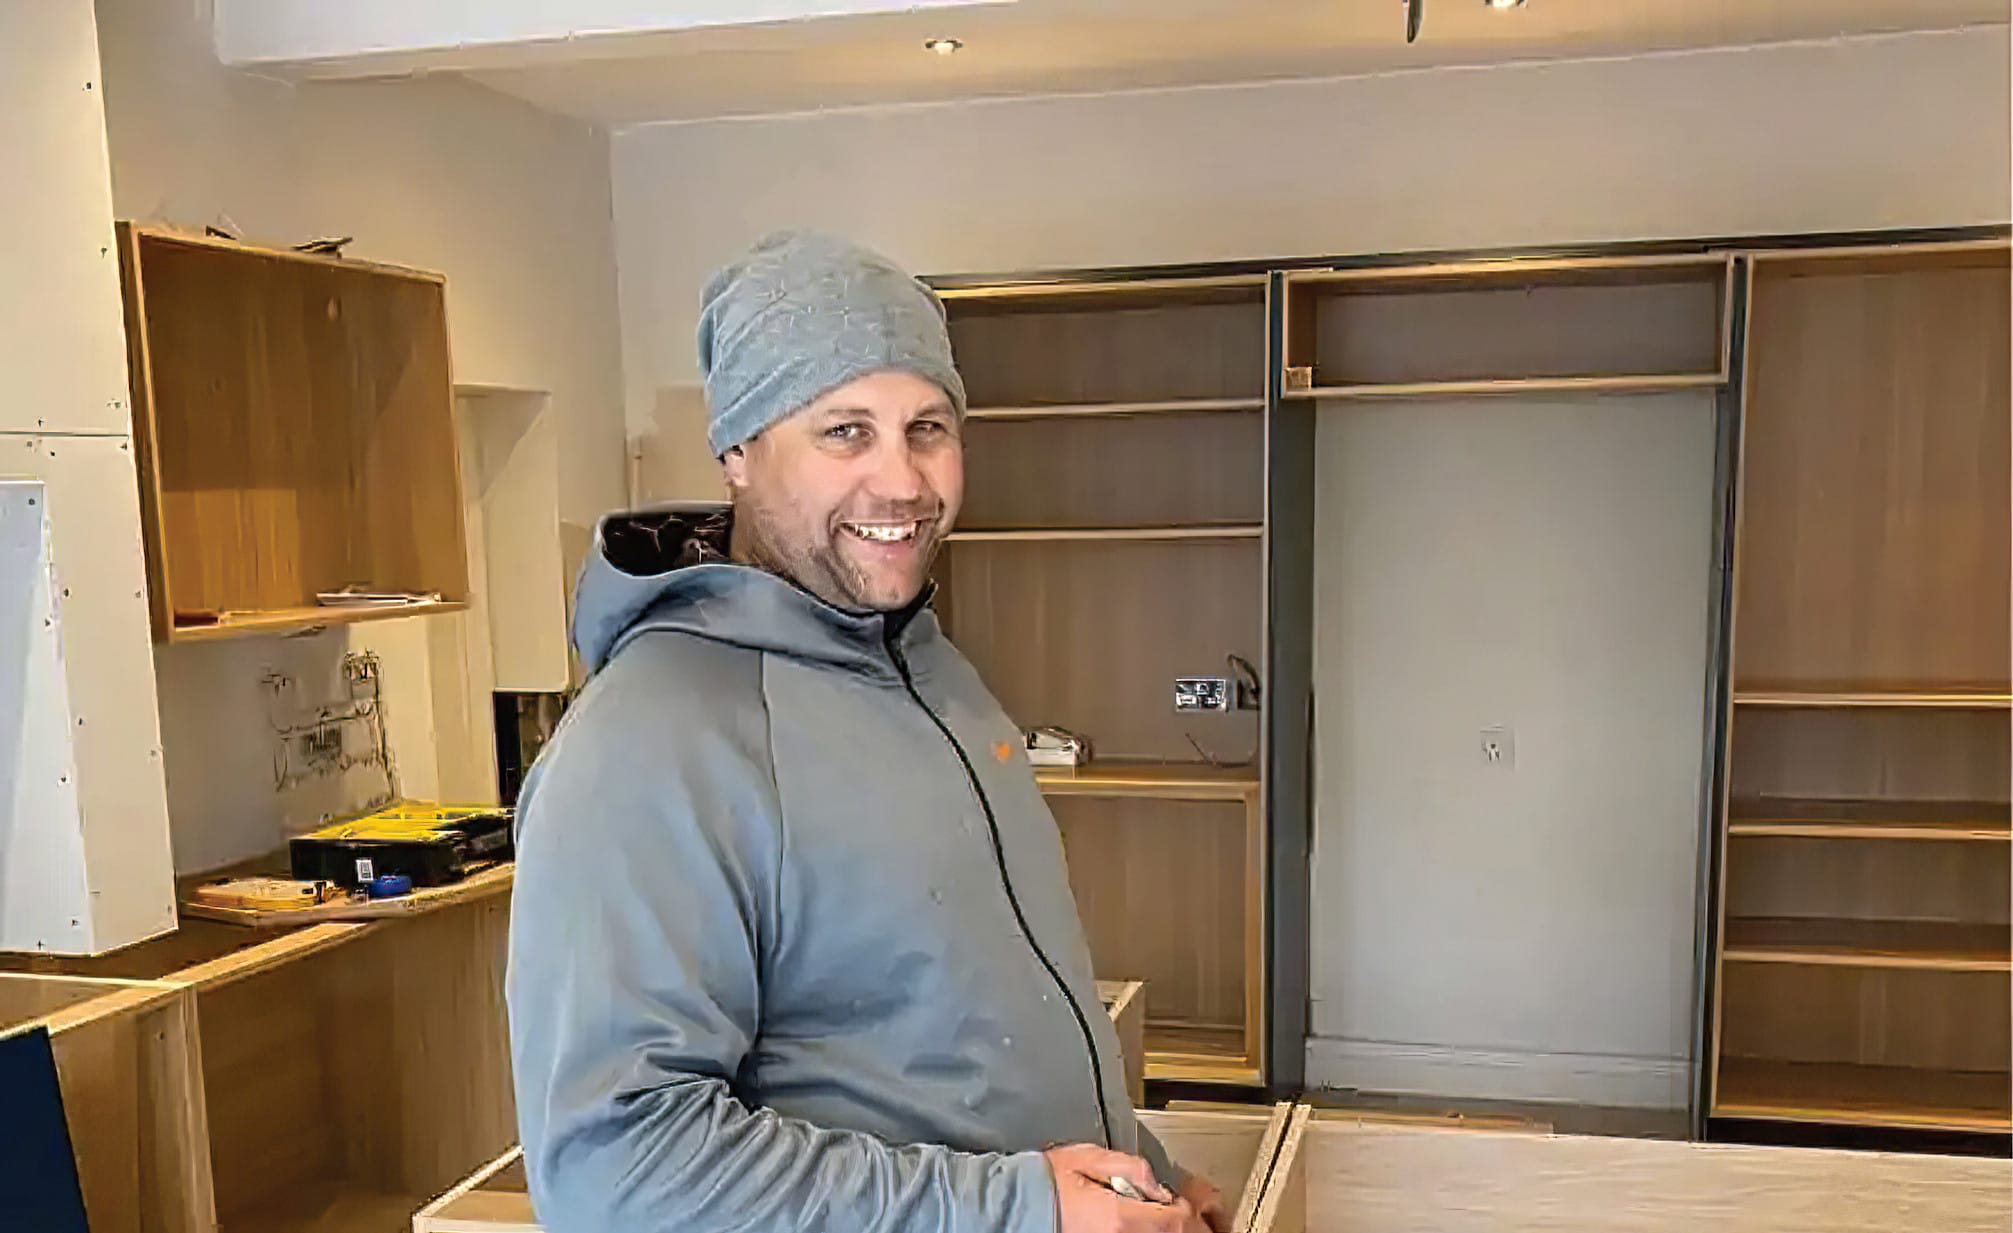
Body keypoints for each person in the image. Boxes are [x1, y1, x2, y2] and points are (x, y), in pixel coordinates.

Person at [506, 230, 1229, 1233]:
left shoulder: (928, 672)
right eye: (845, 431)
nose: (903, 483)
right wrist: (1018, 1212)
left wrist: (1135, 1175)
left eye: (927, 427)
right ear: (738, 453)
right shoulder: (649, 746)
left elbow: (960, 1028)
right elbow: (615, 1171)